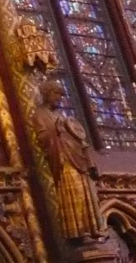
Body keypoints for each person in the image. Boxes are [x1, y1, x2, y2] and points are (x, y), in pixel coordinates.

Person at [32, 80, 105, 243]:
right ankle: (78, 232)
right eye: (56, 94)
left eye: (61, 95)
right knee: (73, 191)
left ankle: (91, 229)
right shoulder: (40, 115)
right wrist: (56, 130)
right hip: (62, 159)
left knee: (85, 192)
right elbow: (42, 138)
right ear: (47, 94)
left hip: (76, 158)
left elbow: (76, 134)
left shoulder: (61, 116)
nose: (59, 98)